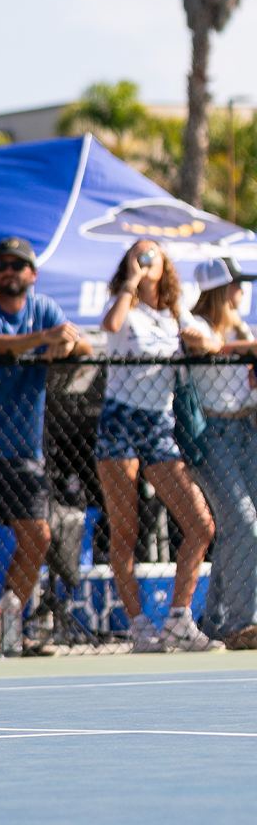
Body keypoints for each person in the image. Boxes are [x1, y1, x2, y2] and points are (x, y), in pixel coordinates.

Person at [0, 237, 90, 658]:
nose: (10, 271)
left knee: (38, 536)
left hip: (22, 449)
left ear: (33, 274)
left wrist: (68, 344)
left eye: (19, 265)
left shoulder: (44, 309)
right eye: (2, 265)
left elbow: (84, 346)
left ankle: (9, 626)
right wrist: (45, 338)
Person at [96, 239, 217, 652]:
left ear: (166, 264)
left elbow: (208, 340)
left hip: (159, 424)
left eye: (153, 254)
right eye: (139, 253)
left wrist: (201, 343)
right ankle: (138, 626)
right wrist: (130, 280)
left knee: (200, 523)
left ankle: (179, 619)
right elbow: (110, 327)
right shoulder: (123, 304)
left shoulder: (175, 313)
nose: (147, 260)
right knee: (126, 529)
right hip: (119, 420)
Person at [179, 258, 257, 649]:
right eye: (238, 284)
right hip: (212, 432)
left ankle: (216, 623)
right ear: (221, 290)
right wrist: (246, 346)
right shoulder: (197, 323)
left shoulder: (242, 327)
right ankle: (246, 623)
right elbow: (201, 342)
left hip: (247, 430)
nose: (243, 292)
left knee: (236, 530)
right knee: (243, 523)